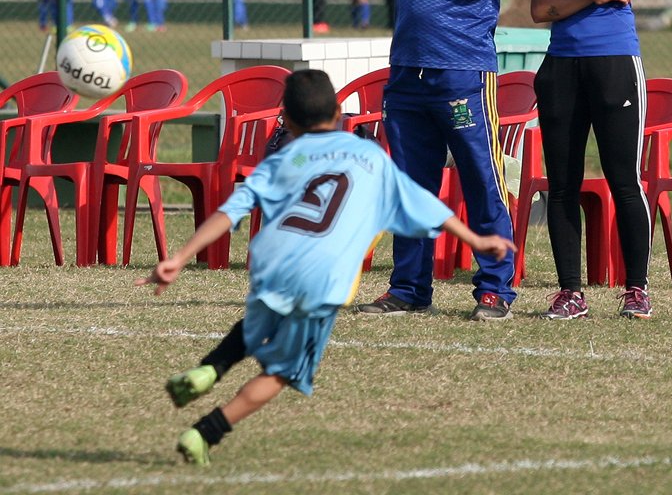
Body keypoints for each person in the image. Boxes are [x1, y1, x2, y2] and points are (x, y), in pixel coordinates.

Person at [135, 69, 515, 466]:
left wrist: (178, 259)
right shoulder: (369, 156)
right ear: (339, 113)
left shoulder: (286, 157)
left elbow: (232, 210)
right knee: (282, 373)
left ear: (289, 122)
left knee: (263, 316)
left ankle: (209, 370)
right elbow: (422, 203)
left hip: (273, 261)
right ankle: (205, 432)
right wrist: (476, 241)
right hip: (322, 280)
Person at [359, 0, 517, 321]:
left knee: (480, 180)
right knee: (409, 185)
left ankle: (494, 289)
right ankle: (408, 288)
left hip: (463, 67)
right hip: (408, 67)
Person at [531, 0, 653, 320]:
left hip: (614, 65)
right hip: (562, 66)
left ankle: (637, 289)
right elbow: (543, 9)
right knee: (562, 184)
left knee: (625, 179)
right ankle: (569, 292)